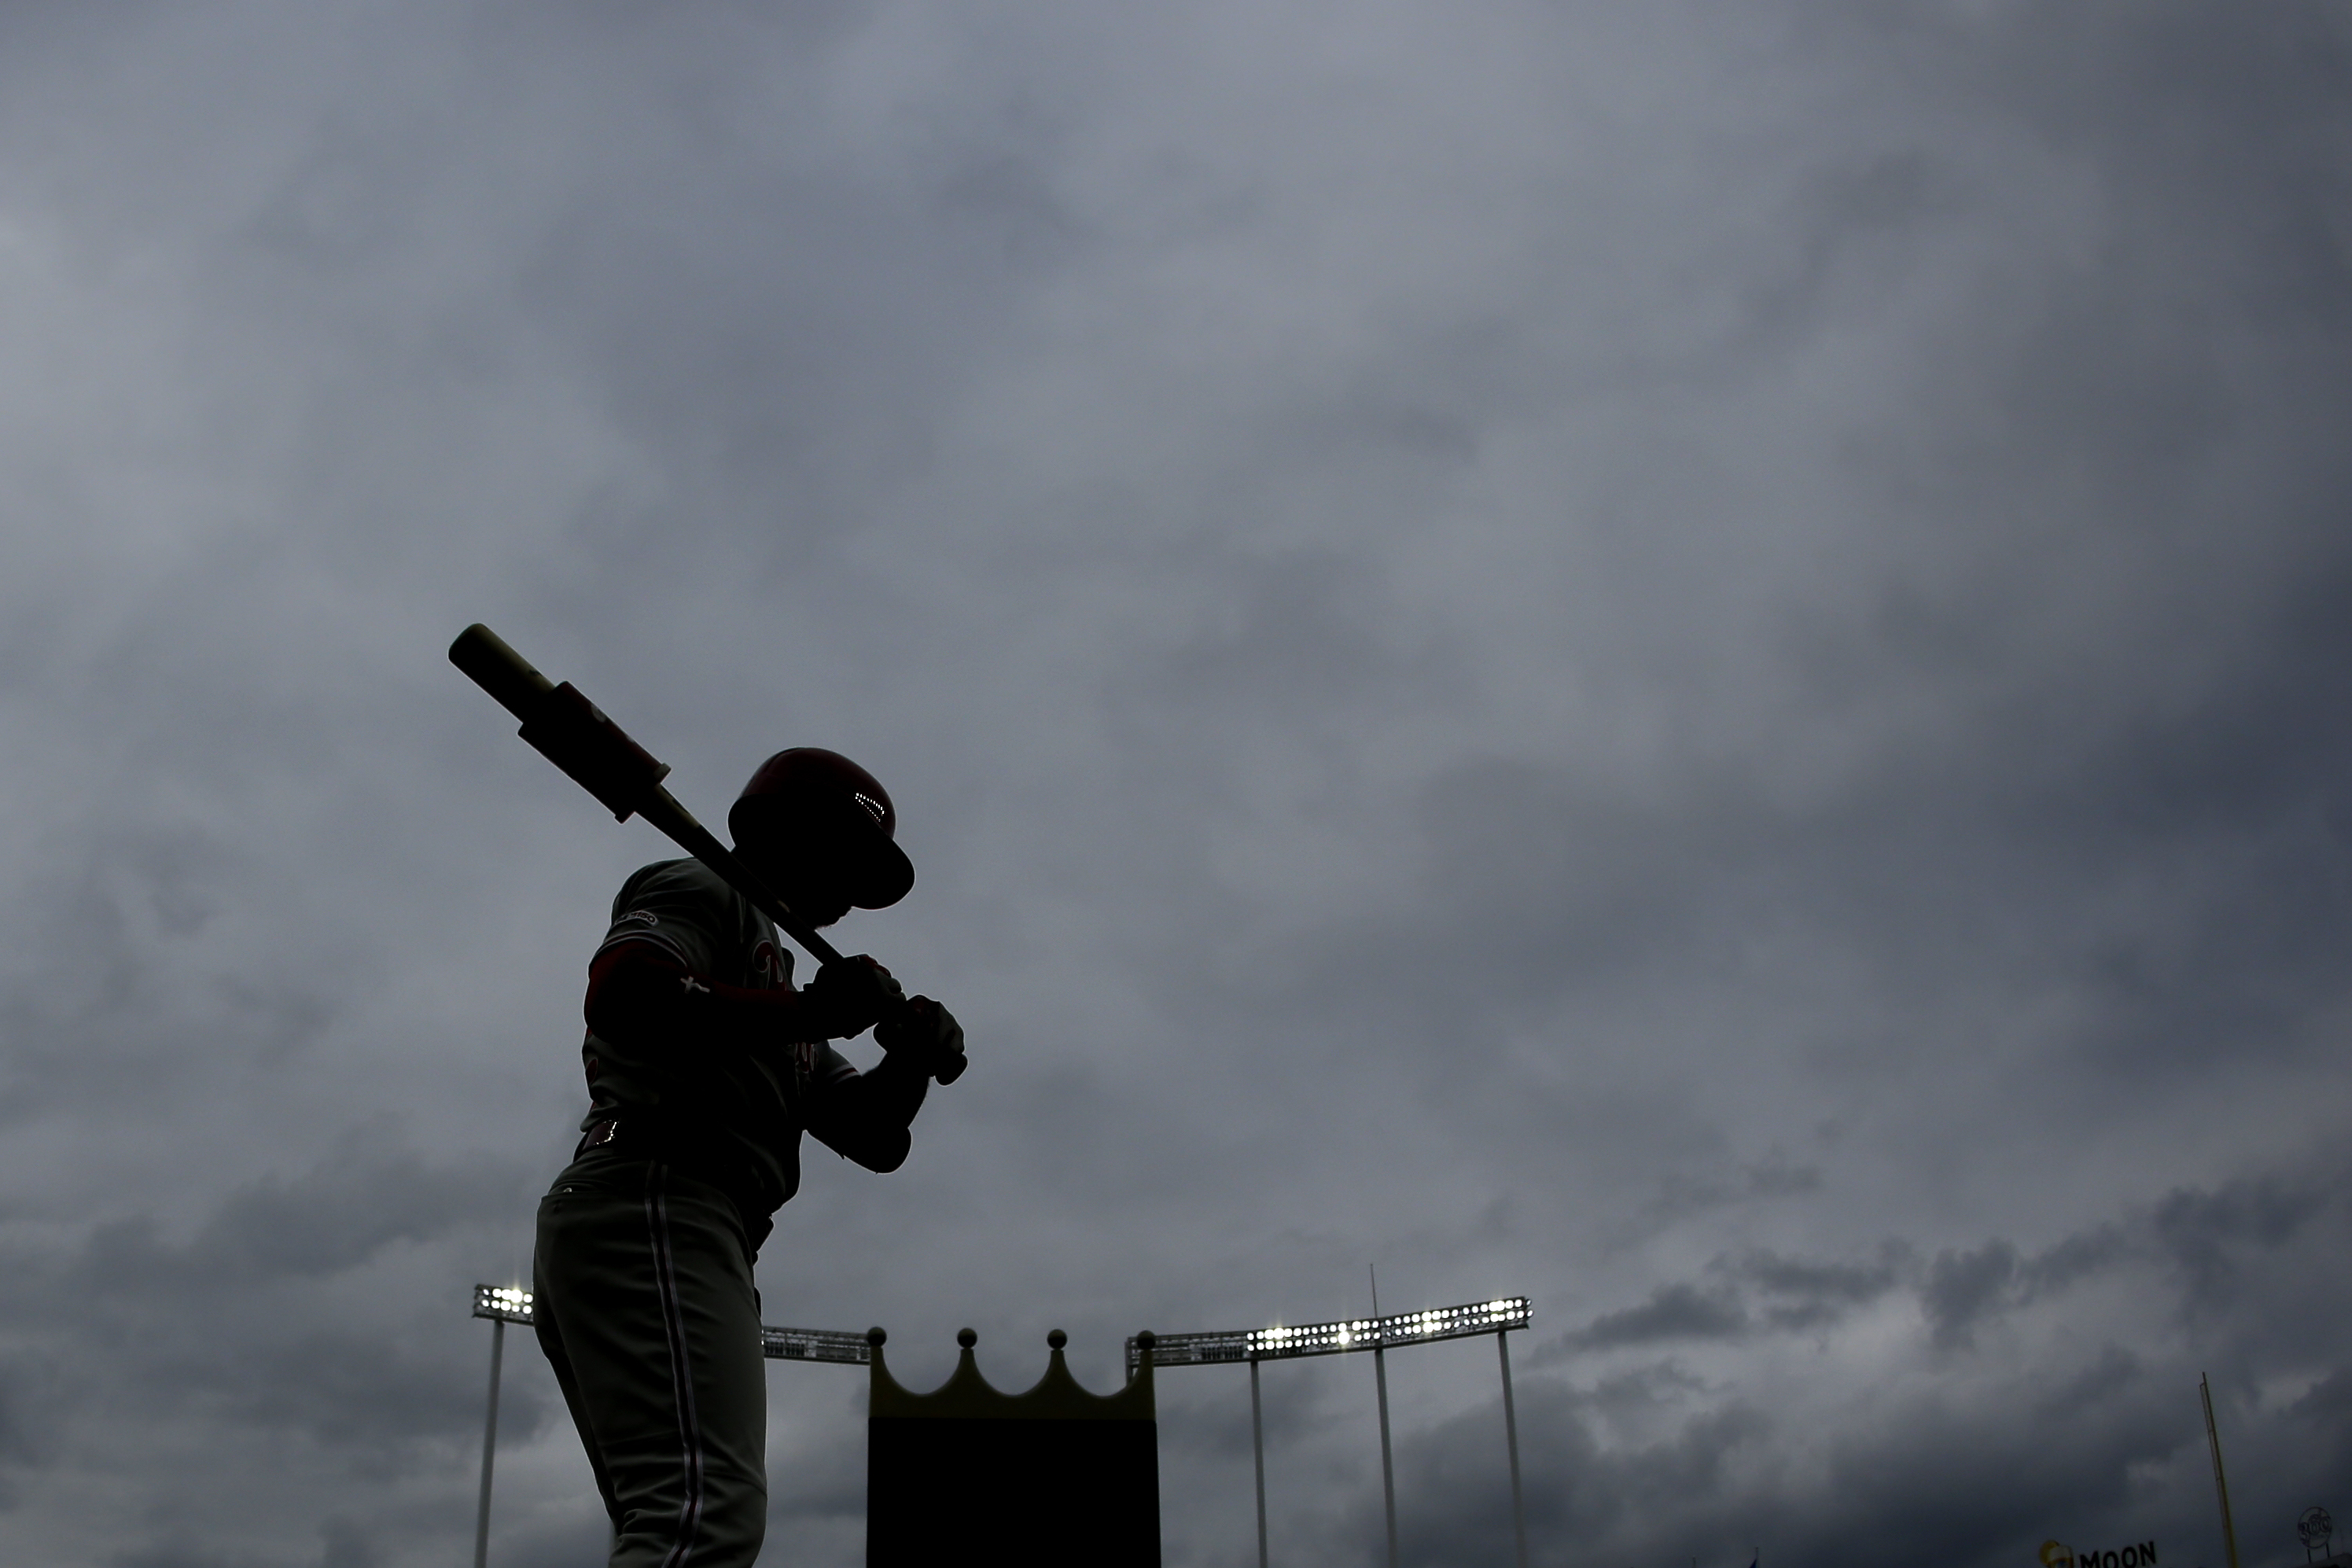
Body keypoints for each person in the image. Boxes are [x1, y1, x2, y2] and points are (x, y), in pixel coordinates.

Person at [530, 748, 963, 1568]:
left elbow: (874, 1135)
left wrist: (907, 1060)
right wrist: (808, 1008)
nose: (850, 887)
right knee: (703, 1513)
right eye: (845, 852)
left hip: (687, 1219)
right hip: (655, 1191)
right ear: (787, 830)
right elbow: (628, 990)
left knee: (679, 1510)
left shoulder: (779, 984)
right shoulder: (705, 888)